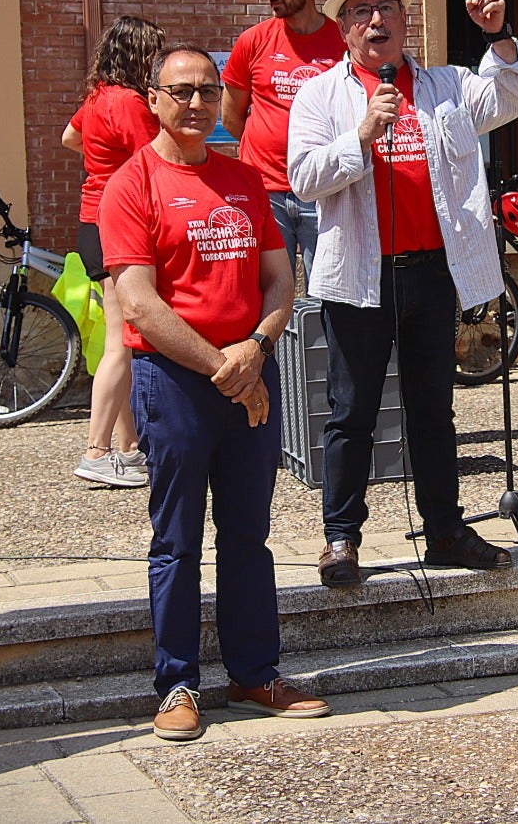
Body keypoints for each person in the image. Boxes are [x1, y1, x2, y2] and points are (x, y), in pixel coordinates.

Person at [100, 42, 330, 740]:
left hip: (248, 372)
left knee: (249, 536)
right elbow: (138, 302)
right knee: (175, 541)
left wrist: (256, 351)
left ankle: (256, 674)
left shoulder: (243, 180)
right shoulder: (132, 185)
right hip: (175, 382)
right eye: (181, 91)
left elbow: (281, 280)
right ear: (155, 102)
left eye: (207, 90)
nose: (196, 103)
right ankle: (176, 686)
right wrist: (224, 368)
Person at [288, 0, 518, 587]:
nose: (376, 20)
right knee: (352, 414)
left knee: (434, 410)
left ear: (406, 21)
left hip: (431, 275)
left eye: (387, 8)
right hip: (359, 277)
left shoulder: (448, 86)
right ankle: (341, 539)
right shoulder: (320, 96)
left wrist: (497, 34)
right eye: (361, 11)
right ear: (343, 28)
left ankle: (445, 530)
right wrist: (363, 135)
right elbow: (302, 178)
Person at [61, 14, 164, 488]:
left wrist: (100, 162)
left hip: (90, 220)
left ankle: (130, 448)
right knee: (122, 340)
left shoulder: (97, 97)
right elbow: (157, 160)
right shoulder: (130, 103)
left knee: (119, 337)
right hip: (116, 223)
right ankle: (97, 450)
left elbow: (70, 137)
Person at [221, 0, 347, 289]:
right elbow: (232, 118)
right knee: (266, 293)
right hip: (264, 191)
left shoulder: (342, 41)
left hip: (323, 189)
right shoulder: (253, 41)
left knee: (329, 291)